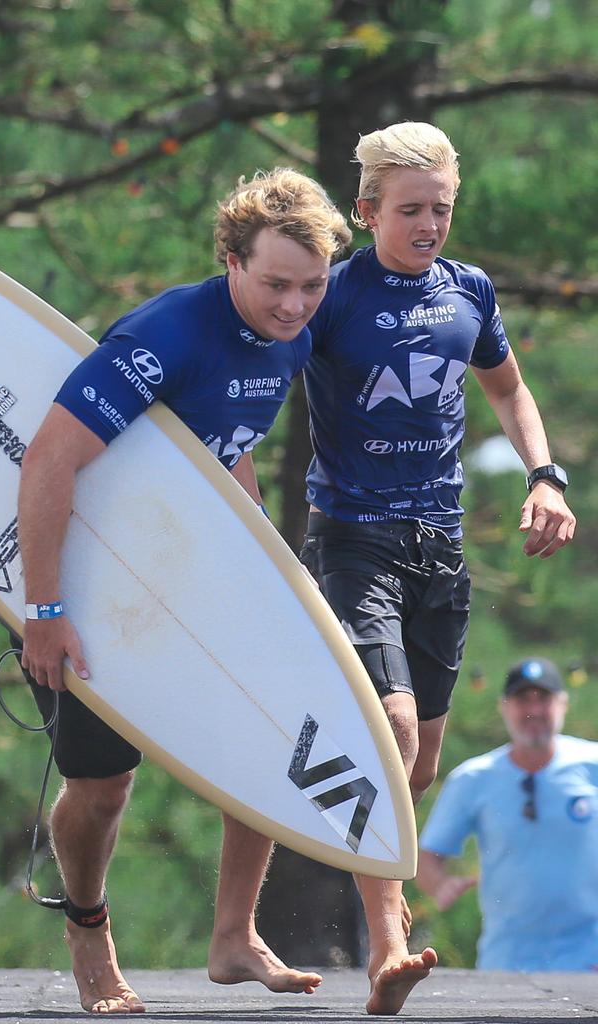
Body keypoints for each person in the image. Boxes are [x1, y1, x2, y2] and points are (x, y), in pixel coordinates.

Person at [16, 167, 352, 1014]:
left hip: (193, 571)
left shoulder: (292, 337)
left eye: (312, 287)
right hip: (93, 582)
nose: (294, 305)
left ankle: (234, 936)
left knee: (271, 731)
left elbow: (217, 442)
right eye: (276, 284)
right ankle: (88, 930)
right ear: (231, 261)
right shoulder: (165, 335)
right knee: (103, 788)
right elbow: (50, 457)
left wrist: (257, 545)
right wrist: (45, 610)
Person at [299, 122, 576, 1014]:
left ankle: (372, 867)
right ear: (367, 209)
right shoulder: (332, 297)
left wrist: (544, 474)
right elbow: (260, 380)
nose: (429, 225)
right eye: (411, 209)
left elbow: (507, 386)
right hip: (352, 538)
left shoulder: (471, 291)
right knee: (396, 735)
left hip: (438, 547)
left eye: (442, 210)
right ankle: (386, 946)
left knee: (419, 771)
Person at [417, 657, 598, 971]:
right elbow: (426, 858)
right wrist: (440, 885)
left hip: (589, 958)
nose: (534, 710)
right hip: (507, 961)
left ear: (564, 703)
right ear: (504, 707)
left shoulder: (592, 765)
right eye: (522, 699)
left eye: (544, 698)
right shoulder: (473, 778)